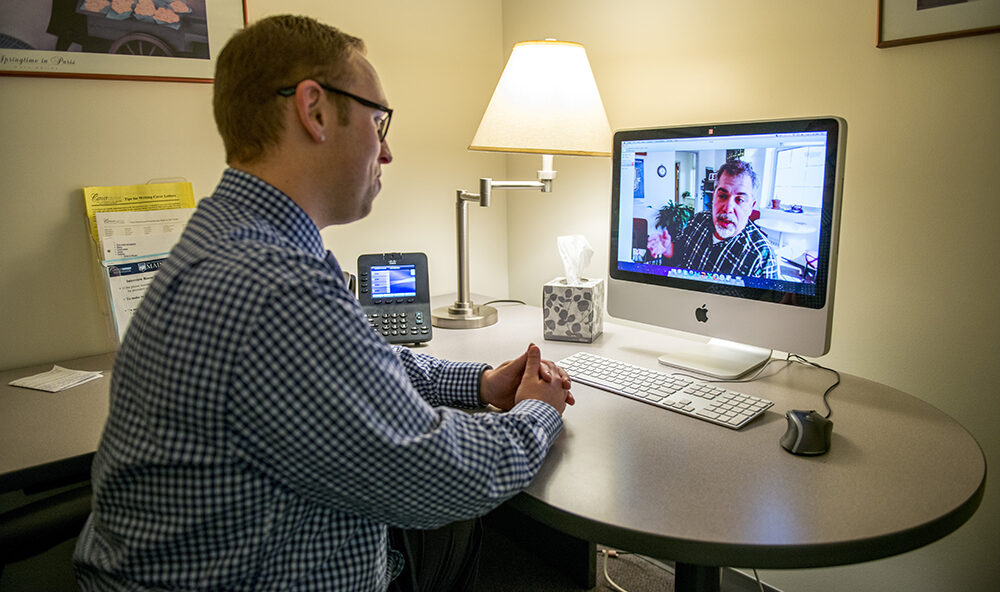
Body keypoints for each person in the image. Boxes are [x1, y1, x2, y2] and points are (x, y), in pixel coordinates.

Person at [73, 15, 574, 592]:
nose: (386, 152)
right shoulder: (276, 288)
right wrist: (537, 412)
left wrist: (481, 383)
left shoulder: (235, 237)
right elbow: (436, 477)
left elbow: (367, 367)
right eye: (378, 122)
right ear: (314, 111)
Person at [647, 159, 777, 279]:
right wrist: (668, 248)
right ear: (714, 196)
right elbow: (680, 252)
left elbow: (768, 303)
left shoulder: (762, 257)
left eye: (740, 200)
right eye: (722, 196)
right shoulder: (699, 220)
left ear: (751, 207)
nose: (728, 208)